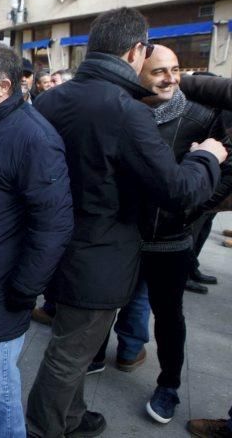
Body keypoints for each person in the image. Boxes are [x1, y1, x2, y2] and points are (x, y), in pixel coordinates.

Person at [26, 7, 226, 438]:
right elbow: (176, 189)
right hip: (98, 254)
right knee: (69, 353)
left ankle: (74, 417)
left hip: (56, 245)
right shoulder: (123, 110)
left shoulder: (51, 99)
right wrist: (208, 155)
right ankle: (43, 428)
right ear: (136, 51)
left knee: (71, 345)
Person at [90, 45, 232, 424]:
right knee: (105, 303)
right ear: (137, 73)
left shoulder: (200, 116)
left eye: (175, 69)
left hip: (172, 239)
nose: (171, 78)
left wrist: (193, 207)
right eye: (159, 71)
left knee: (169, 317)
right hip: (123, 236)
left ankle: (168, 385)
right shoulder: (122, 114)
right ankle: (92, 357)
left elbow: (224, 165)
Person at [0, 42, 73, 438]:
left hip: (1, 296)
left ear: (4, 86)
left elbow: (54, 226)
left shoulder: (35, 138)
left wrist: (22, 290)